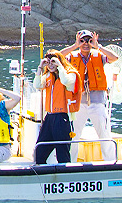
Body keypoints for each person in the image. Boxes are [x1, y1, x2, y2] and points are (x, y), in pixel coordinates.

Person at [60, 29, 119, 161]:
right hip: (78, 103)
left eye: (89, 40)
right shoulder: (72, 56)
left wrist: (98, 46)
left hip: (97, 102)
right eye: (83, 40)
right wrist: (75, 46)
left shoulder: (99, 55)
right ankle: (71, 162)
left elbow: (114, 58)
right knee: (74, 135)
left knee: (104, 133)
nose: (86, 43)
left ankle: (110, 162)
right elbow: (57, 57)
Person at [33, 50, 78, 164]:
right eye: (48, 62)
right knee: (40, 151)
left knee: (62, 153)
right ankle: (43, 177)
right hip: (50, 118)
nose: (51, 65)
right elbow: (38, 85)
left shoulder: (70, 73)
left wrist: (60, 66)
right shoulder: (48, 76)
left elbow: (66, 81)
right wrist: (40, 68)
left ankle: (64, 177)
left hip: (63, 118)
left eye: (53, 62)